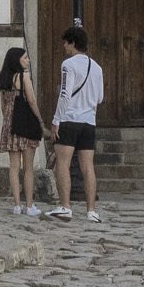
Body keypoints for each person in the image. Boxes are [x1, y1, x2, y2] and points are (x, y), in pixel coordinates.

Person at [50, 22, 106, 223]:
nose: (64, 47)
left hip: (70, 119)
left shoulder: (68, 65)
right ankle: (91, 211)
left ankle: (65, 207)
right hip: (89, 121)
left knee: (63, 165)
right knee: (88, 166)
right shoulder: (97, 67)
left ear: (72, 43)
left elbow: (65, 94)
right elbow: (100, 97)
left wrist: (56, 120)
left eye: (65, 43)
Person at [0, 45, 47, 217]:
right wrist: (40, 121)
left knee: (14, 167)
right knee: (28, 168)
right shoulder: (24, 77)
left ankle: (17, 205)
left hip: (10, 126)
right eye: (25, 57)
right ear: (18, 59)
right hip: (24, 126)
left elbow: (3, 108)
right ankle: (29, 205)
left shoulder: (4, 79)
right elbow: (31, 101)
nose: (28, 60)